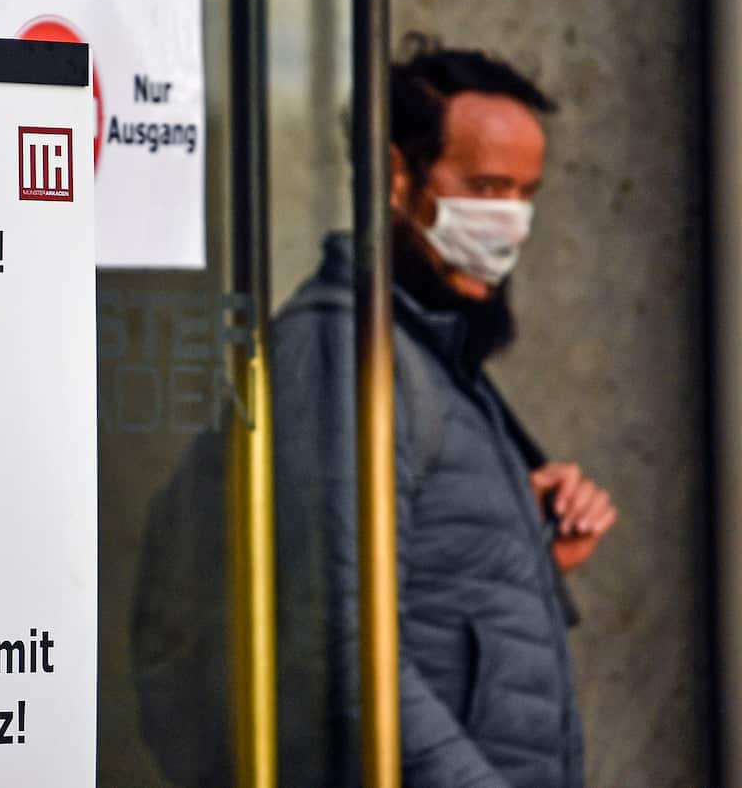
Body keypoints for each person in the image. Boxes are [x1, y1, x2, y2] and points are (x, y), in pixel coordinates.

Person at [133, 38, 617, 788]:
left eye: (527, 194)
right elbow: (337, 649)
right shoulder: (341, 357)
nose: (512, 222)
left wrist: (527, 543)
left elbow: (432, 602)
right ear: (396, 176)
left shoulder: (431, 356)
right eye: (487, 188)